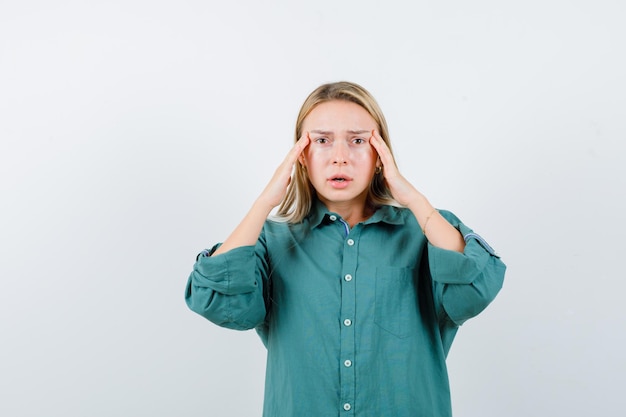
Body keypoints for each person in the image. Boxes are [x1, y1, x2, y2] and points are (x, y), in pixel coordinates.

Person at [185, 81, 506, 416]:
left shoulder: (425, 232)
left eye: (357, 141)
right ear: (302, 156)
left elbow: (476, 287)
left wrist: (411, 198)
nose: (340, 157)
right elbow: (216, 299)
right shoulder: (270, 243)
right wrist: (265, 201)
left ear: (380, 156)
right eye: (322, 141)